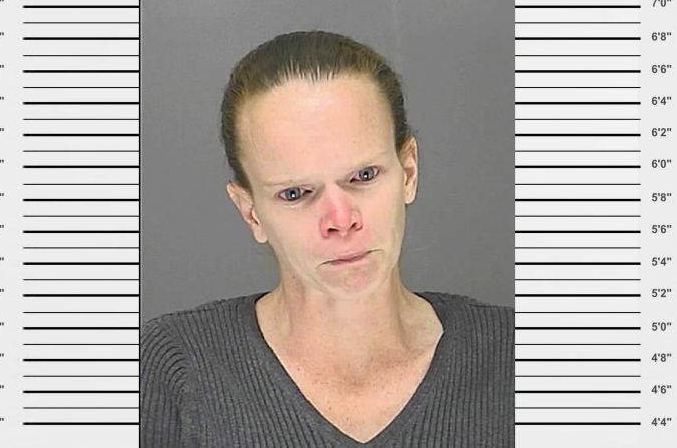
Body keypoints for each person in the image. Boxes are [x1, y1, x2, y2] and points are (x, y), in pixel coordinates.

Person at [141, 30, 513, 447]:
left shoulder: (512, 357)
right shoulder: (176, 366)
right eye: (295, 194)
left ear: (408, 172)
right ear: (250, 212)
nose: (340, 220)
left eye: (364, 176)